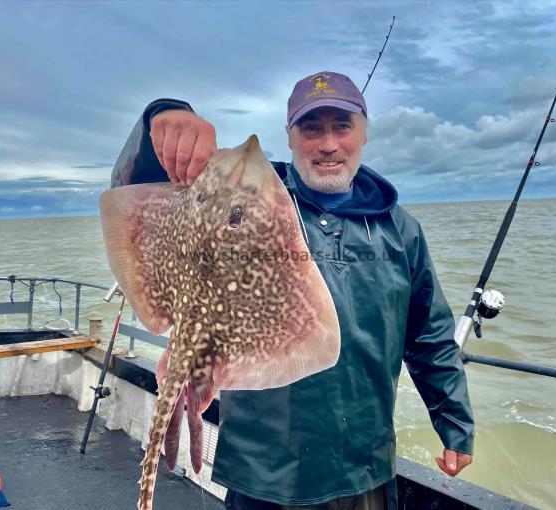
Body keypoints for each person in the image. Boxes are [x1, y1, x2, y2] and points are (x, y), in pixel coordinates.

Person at [111, 71, 474, 510]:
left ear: (363, 133)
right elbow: (137, 189)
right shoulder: (252, 196)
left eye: (342, 126)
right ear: (289, 136)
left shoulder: (401, 232)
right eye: (311, 128)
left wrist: (453, 421)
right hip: (264, 470)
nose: (327, 144)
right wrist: (165, 116)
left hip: (364, 465)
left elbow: (429, 336)